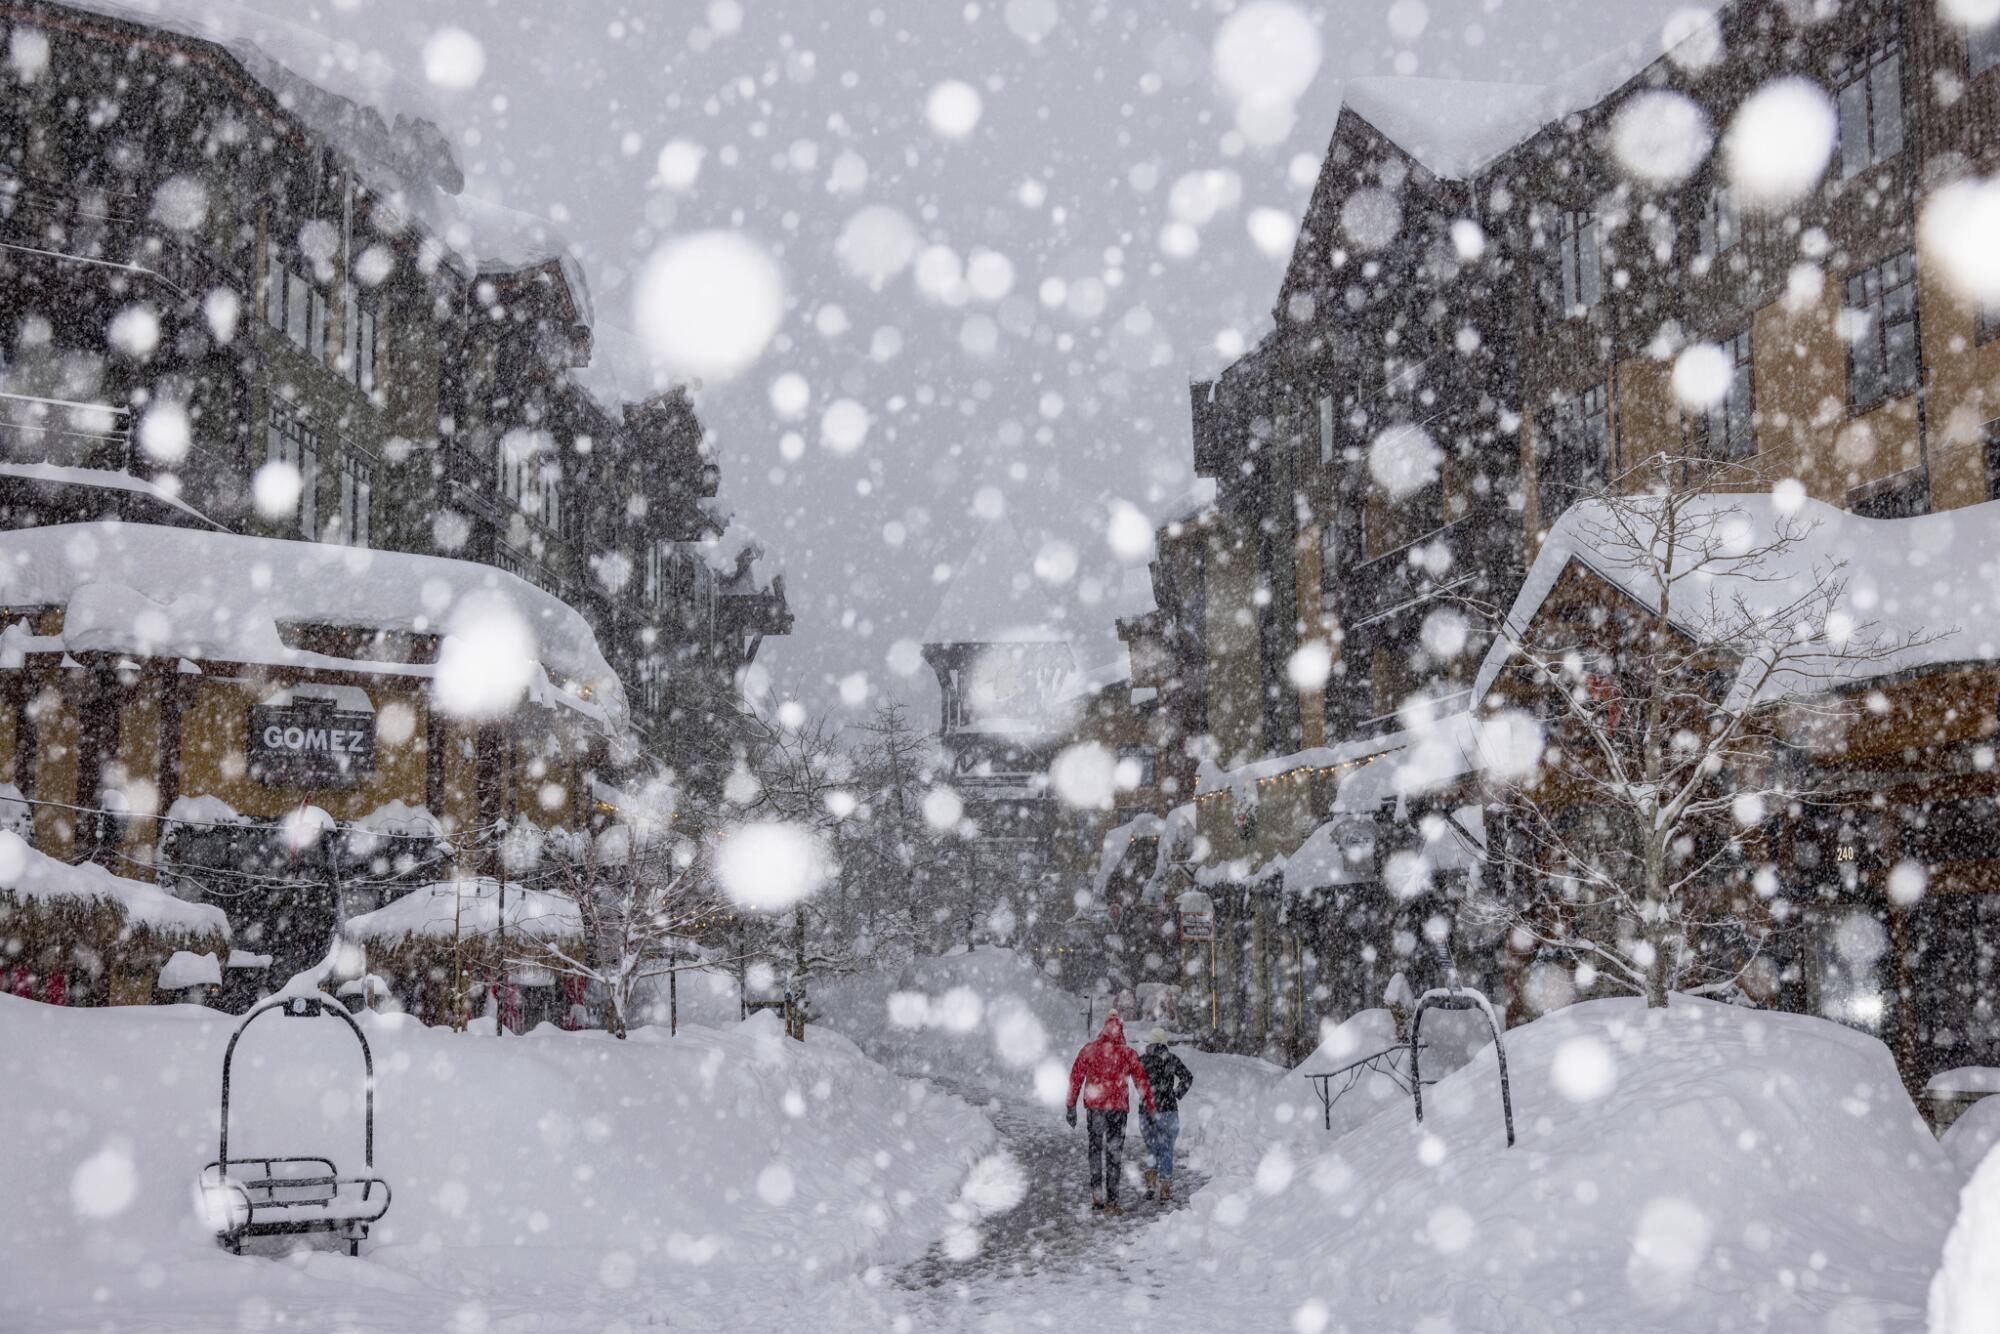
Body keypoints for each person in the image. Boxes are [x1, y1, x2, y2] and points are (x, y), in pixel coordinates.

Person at [1065, 1011, 1155, 1216]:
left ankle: (1097, 1195)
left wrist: (1071, 1106)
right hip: (1117, 1110)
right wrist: (1149, 1105)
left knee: (1095, 1151)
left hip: (1095, 1109)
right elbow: (1142, 1081)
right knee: (1114, 1154)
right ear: (1121, 1031)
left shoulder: (1089, 1050)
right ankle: (1112, 1202)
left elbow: (1076, 1077)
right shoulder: (1128, 1054)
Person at [1139, 1027, 1193, 1202]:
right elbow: (1188, 1077)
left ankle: (1150, 1186)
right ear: (1164, 1043)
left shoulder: (1142, 1061)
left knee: (1151, 1149)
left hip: (1147, 1111)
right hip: (1168, 1110)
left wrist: (1144, 1093)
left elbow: (1132, 1079)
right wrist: (1177, 1092)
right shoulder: (1171, 1059)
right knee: (1167, 1149)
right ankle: (1165, 1189)